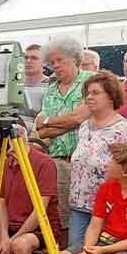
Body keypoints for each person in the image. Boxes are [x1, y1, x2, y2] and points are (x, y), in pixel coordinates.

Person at [66, 71, 127, 254]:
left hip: (106, 203)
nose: (89, 97)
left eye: (96, 93)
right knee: (77, 246)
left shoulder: (121, 130)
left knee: (99, 249)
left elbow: (126, 167)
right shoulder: (84, 126)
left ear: (111, 96)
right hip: (79, 200)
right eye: (87, 93)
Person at [35, 35, 93, 234]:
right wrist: (68, 121)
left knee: (85, 218)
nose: (55, 66)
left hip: (84, 162)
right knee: (60, 217)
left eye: (60, 60)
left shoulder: (89, 81)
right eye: (52, 62)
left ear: (74, 58)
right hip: (57, 162)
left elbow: (80, 118)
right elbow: (41, 132)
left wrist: (49, 121)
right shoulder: (51, 90)